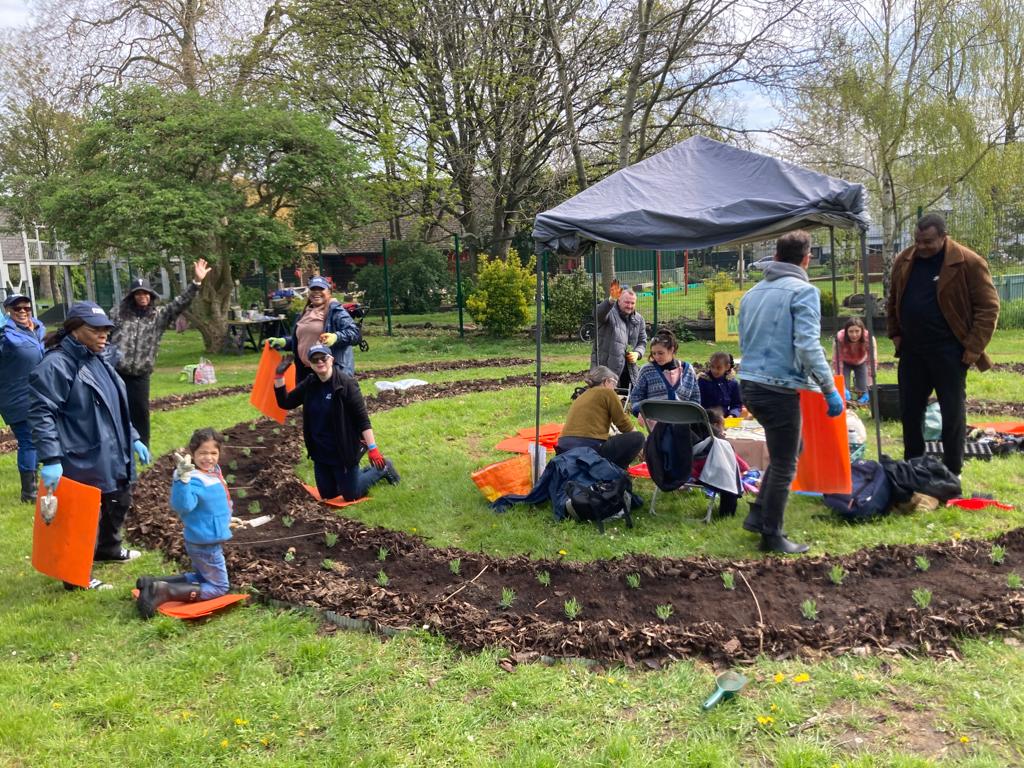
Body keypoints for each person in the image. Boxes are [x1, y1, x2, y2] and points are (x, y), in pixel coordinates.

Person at [29, 302, 151, 590]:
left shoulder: (98, 359)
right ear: (74, 330)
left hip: (112, 449)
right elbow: (41, 412)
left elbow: (115, 404)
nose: (103, 335)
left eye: (106, 329)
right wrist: (51, 458)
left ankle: (108, 549)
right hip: (80, 453)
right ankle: (75, 575)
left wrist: (133, 436)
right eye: (95, 329)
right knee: (83, 515)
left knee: (118, 500)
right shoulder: (56, 365)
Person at [738, 230, 844, 554]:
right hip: (778, 388)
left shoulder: (752, 293)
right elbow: (808, 345)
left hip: (749, 384)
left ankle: (757, 515)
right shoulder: (804, 292)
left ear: (777, 256)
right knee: (785, 462)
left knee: (791, 447)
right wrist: (829, 389)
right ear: (807, 258)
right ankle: (772, 534)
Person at [886, 213, 1000, 477]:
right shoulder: (904, 259)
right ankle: (913, 466)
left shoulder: (968, 262)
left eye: (928, 242)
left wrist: (972, 349)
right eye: (917, 241)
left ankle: (953, 470)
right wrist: (895, 333)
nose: (921, 247)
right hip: (913, 350)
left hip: (950, 351)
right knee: (910, 411)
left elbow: (989, 307)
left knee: (952, 412)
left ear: (943, 236)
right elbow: (894, 299)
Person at [274, 344, 399, 500]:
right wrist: (279, 377)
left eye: (323, 358)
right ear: (310, 364)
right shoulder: (310, 383)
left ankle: (382, 468)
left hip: (343, 451)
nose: (319, 362)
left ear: (331, 359)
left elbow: (362, 419)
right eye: (315, 359)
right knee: (328, 494)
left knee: (350, 495)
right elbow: (285, 402)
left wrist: (373, 449)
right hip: (320, 452)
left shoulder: (346, 384)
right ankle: (355, 477)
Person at [109, 259, 211, 447]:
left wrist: (196, 283)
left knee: (140, 411)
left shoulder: (158, 317)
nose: (142, 297)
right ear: (131, 296)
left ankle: (142, 446)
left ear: (151, 296)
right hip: (117, 372)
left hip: (140, 375)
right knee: (115, 409)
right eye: (138, 294)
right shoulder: (117, 315)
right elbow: (105, 337)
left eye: (146, 294)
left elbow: (179, 304)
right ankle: (116, 445)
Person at [136, 427, 232, 618]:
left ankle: (153, 583)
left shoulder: (213, 472)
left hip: (205, 537)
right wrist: (182, 481)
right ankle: (165, 592)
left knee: (201, 577)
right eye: (202, 453)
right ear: (192, 453)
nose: (208, 458)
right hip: (205, 543)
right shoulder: (194, 478)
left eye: (213, 453)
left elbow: (217, 502)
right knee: (219, 586)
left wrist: (227, 517)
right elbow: (183, 506)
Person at [267, 276, 361, 381]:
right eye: (313, 289)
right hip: (306, 372)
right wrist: (284, 341)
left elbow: (355, 333)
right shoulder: (305, 313)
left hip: (330, 373)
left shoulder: (336, 311)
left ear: (329, 292)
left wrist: (336, 337)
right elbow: (304, 339)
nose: (316, 292)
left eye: (321, 289)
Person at [0, 294, 45, 502]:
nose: (22, 311)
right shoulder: (5, 336)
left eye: (26, 307)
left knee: (43, 437)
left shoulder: (38, 328)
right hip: (16, 396)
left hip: (41, 394)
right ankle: (29, 492)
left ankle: (47, 481)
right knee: (28, 441)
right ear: (8, 310)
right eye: (17, 308)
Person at [555, 366, 644, 469]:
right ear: (607, 381)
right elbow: (623, 423)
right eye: (614, 384)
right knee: (638, 437)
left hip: (564, 447)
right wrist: (642, 448)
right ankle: (616, 471)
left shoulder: (582, 395)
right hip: (589, 448)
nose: (615, 389)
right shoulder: (607, 392)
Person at [627, 328, 700, 411]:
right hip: (655, 420)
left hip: (683, 421)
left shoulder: (688, 370)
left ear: (671, 350)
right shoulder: (647, 370)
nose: (657, 357)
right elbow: (636, 396)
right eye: (653, 353)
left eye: (660, 353)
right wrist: (641, 412)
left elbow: (695, 399)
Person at [591, 286, 647, 390]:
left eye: (632, 303)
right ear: (619, 300)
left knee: (628, 399)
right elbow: (597, 314)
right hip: (607, 367)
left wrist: (637, 353)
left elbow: (642, 342)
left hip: (629, 369)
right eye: (627, 302)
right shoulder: (609, 313)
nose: (629, 306)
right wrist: (610, 300)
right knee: (604, 399)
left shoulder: (639, 319)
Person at [831, 317, 877, 402]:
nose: (854, 335)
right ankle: (846, 399)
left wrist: (870, 386)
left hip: (861, 361)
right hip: (844, 363)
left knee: (863, 389)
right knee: (843, 389)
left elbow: (872, 362)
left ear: (862, 330)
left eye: (857, 331)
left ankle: (861, 396)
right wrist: (842, 386)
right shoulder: (839, 338)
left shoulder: (869, 338)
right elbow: (836, 362)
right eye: (851, 331)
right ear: (846, 331)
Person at [697, 351, 744, 417]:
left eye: (718, 367)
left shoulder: (733, 383)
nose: (714, 370)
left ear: (727, 367)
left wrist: (733, 414)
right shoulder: (702, 381)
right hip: (705, 418)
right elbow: (697, 403)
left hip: (725, 419)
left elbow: (736, 404)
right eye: (712, 367)